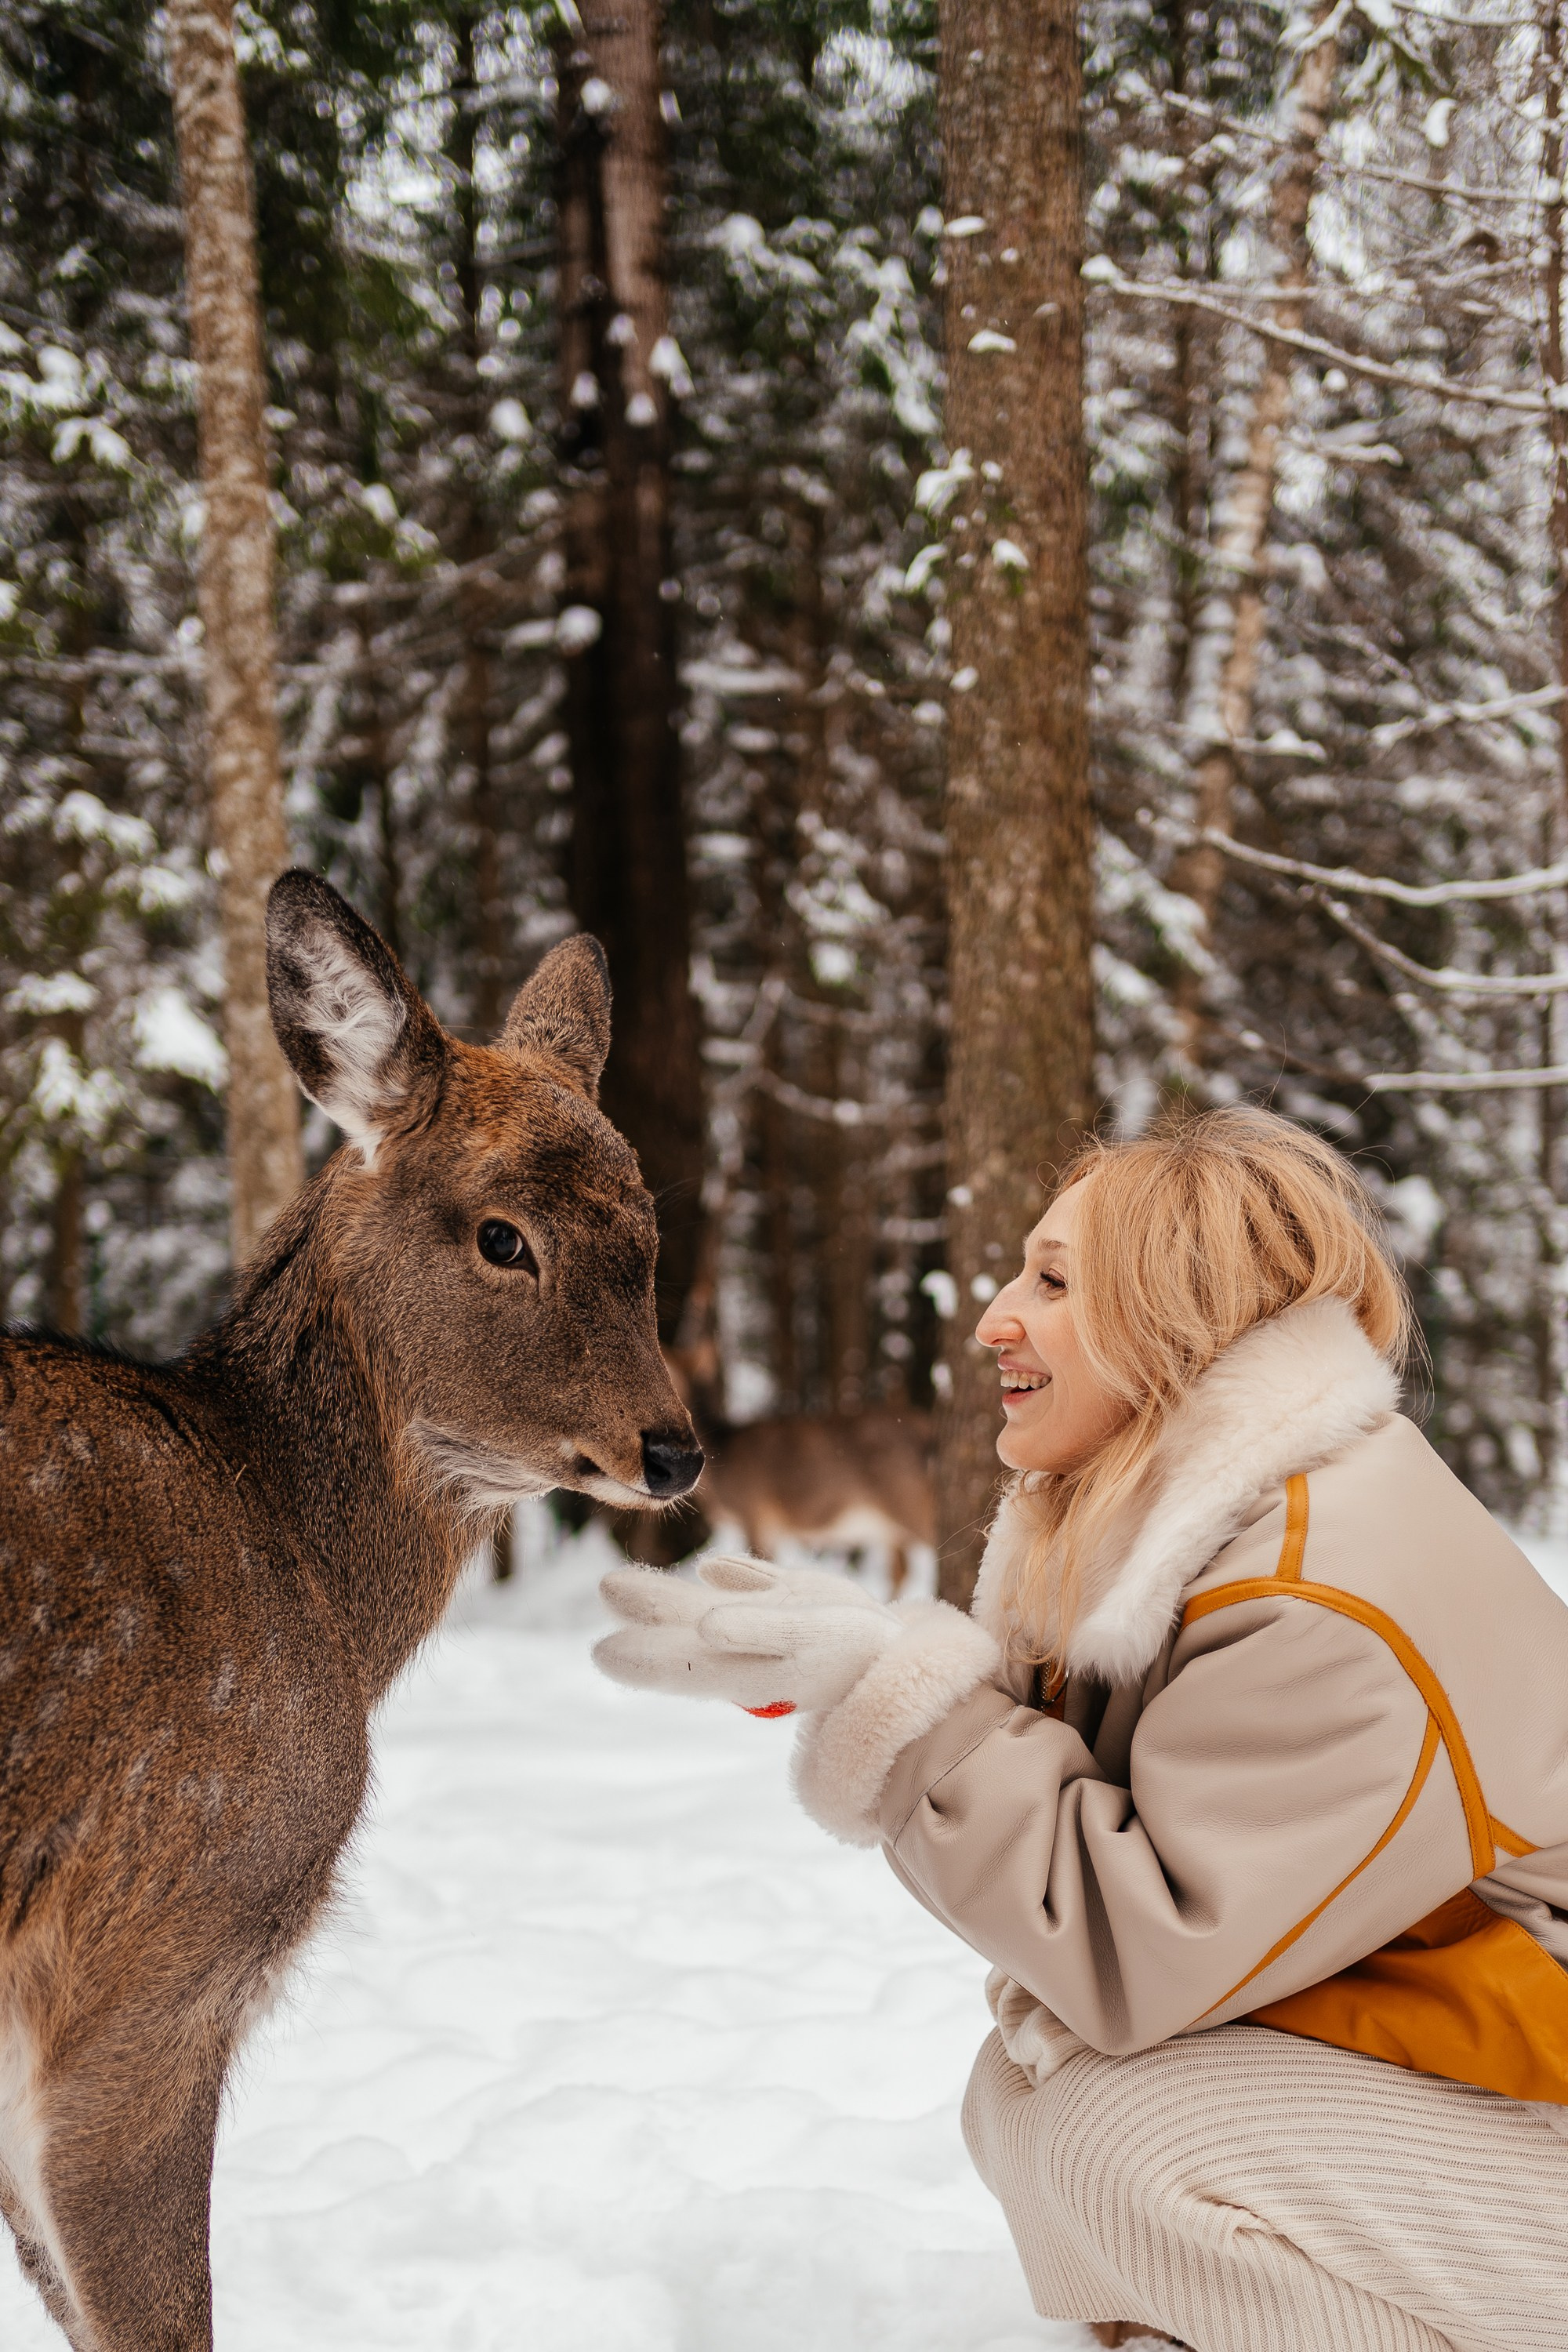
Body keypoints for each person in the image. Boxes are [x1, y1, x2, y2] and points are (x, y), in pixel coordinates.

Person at [597, 1108, 1568, 2352]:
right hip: (1494, 2064)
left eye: (1052, 1282)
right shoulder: (1234, 1525)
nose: (995, 1317)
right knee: (1023, 2093)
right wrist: (873, 1664)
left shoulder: (1314, 1596)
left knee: (1122, 2137)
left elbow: (1135, 1943)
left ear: (1178, 1322)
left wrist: (902, 1708)